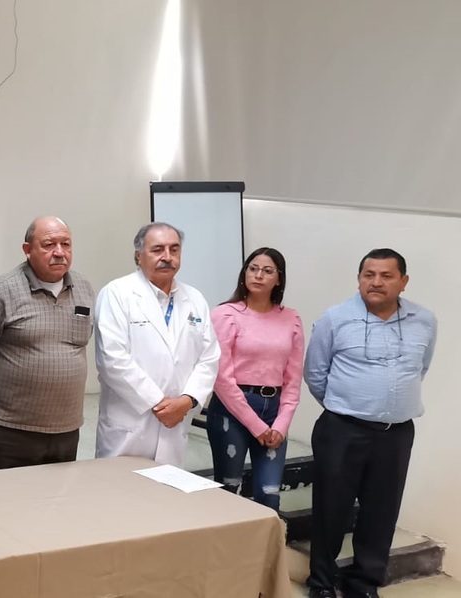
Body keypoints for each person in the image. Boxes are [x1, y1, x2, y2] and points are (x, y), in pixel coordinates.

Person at [304, 249, 436, 598]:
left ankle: (363, 583)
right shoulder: (335, 318)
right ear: (359, 278)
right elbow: (315, 373)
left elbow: (421, 367)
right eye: (368, 274)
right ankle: (321, 583)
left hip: (396, 434)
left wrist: (385, 405)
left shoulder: (424, 320)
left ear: (403, 281)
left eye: (386, 275)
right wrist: (349, 406)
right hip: (342, 429)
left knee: (382, 512)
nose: (376, 282)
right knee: (331, 509)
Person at [94, 222, 220, 467]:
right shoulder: (117, 293)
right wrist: (159, 404)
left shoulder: (194, 299)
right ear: (138, 256)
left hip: (177, 421)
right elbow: (112, 358)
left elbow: (209, 357)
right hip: (130, 426)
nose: (167, 257)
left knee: (166, 488)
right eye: (157, 250)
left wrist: (187, 401)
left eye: (174, 249)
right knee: (119, 487)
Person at [0, 216, 95, 469]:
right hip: (9, 430)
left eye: (66, 244)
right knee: (6, 493)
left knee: (57, 494)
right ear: (27, 250)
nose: (59, 252)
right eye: (49, 245)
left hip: (66, 428)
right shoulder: (0, 292)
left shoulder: (84, 288)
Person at [207, 248, 303, 510]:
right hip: (233, 410)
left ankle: (266, 538)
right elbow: (222, 378)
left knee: (269, 493)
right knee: (229, 488)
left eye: (267, 271)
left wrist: (281, 424)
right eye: (253, 268)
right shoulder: (225, 314)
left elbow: (293, 378)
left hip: (274, 410)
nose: (258, 275)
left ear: (279, 279)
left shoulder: (291, 319)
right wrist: (255, 425)